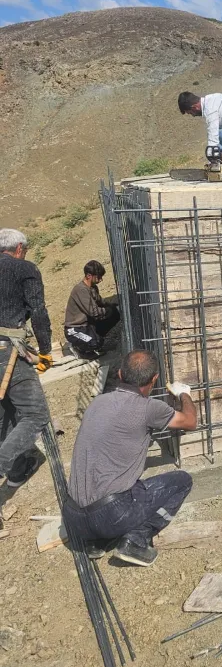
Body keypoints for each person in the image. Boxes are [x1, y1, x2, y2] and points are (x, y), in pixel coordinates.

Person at [62, 349, 197, 566]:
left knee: (110, 483)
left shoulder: (98, 402)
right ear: (154, 379)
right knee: (181, 481)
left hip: (73, 518)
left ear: (120, 374)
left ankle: (96, 542)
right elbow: (190, 421)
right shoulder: (149, 408)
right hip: (109, 515)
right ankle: (135, 541)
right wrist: (184, 394)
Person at [0, 228, 52, 525]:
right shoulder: (24, 268)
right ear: (19, 248)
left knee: (6, 413)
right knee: (35, 415)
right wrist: (45, 351)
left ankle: (17, 471)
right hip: (6, 351)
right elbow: (39, 311)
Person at [64, 260, 120, 360]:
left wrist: (112, 306)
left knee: (115, 313)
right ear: (89, 275)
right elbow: (93, 312)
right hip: (74, 329)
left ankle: (94, 339)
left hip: (88, 325)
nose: (101, 280)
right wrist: (107, 311)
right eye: (98, 277)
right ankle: (78, 348)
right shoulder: (81, 290)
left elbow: (101, 301)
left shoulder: (93, 288)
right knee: (95, 342)